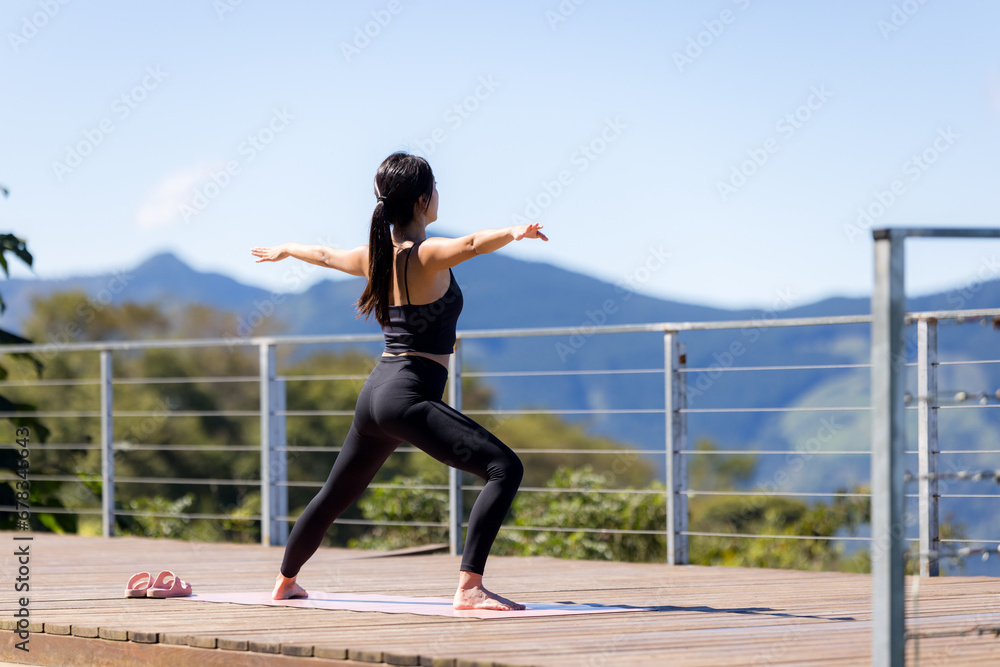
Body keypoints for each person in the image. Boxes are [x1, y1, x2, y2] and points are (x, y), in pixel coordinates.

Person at [250, 152, 548, 610]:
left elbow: (327, 255)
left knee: (335, 494)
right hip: (407, 394)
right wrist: (513, 232)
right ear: (424, 200)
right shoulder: (426, 254)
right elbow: (469, 245)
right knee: (504, 469)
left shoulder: (374, 257)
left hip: (375, 396)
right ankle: (469, 588)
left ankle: (285, 581)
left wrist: (289, 249)